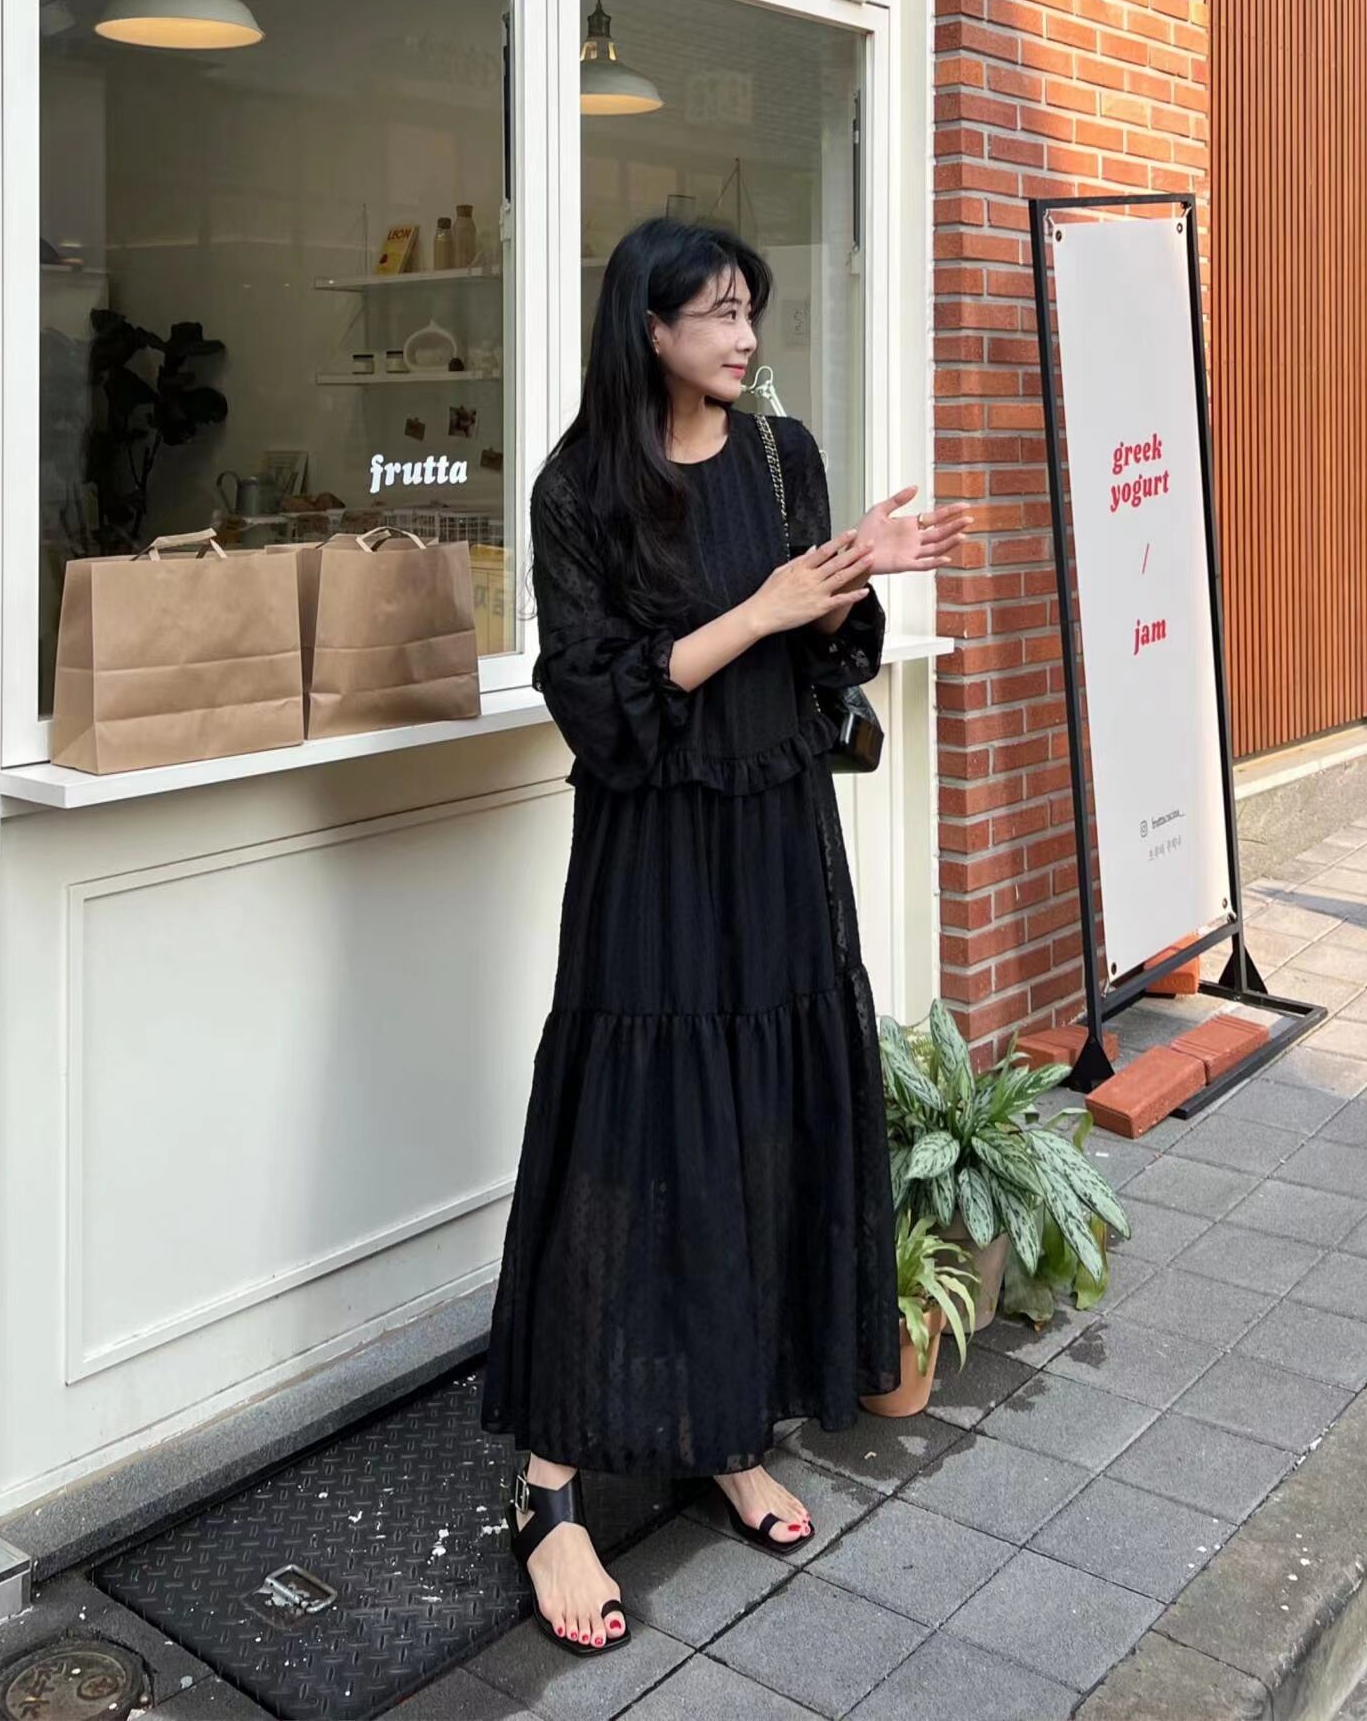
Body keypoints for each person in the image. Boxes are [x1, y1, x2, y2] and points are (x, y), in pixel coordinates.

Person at [481, 215, 969, 1655]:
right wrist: (762, 608)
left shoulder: (780, 456)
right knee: (625, 1137)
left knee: (762, 1122)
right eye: (715, 313)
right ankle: (550, 1487)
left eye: (751, 308)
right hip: (651, 856)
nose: (744, 335)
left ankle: (728, 1425)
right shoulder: (580, 486)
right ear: (649, 327)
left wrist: (852, 578)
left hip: (775, 837)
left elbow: (829, 658)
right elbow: (598, 703)